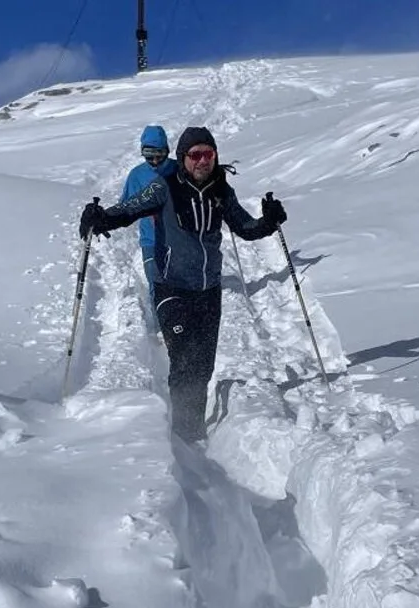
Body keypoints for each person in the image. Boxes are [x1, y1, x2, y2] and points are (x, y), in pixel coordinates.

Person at [78, 126, 288, 444]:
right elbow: (129, 208)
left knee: (202, 367)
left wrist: (269, 222)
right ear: (183, 158)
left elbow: (245, 227)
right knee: (185, 360)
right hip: (171, 286)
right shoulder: (164, 187)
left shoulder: (221, 191)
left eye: (209, 154)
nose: (202, 161)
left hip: (208, 289)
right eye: (195, 155)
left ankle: (195, 433)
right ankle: (182, 434)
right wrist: (101, 217)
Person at [120, 125, 178, 304]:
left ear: (167, 151)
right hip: (151, 241)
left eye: (159, 154)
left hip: (178, 240)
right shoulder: (136, 175)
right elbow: (125, 208)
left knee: (180, 286)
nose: (154, 160)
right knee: (157, 286)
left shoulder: (179, 169)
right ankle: (161, 329)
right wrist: (102, 218)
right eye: (148, 154)